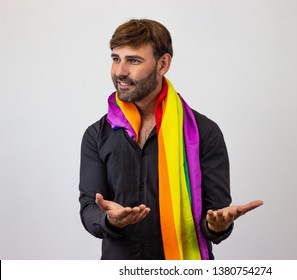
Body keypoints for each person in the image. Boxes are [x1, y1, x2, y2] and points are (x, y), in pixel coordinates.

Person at [79, 19, 263, 260]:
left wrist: (218, 226)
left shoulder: (204, 133)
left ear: (163, 64)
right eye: (116, 58)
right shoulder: (97, 134)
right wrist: (109, 220)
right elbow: (88, 208)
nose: (120, 71)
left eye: (133, 60)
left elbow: (214, 215)